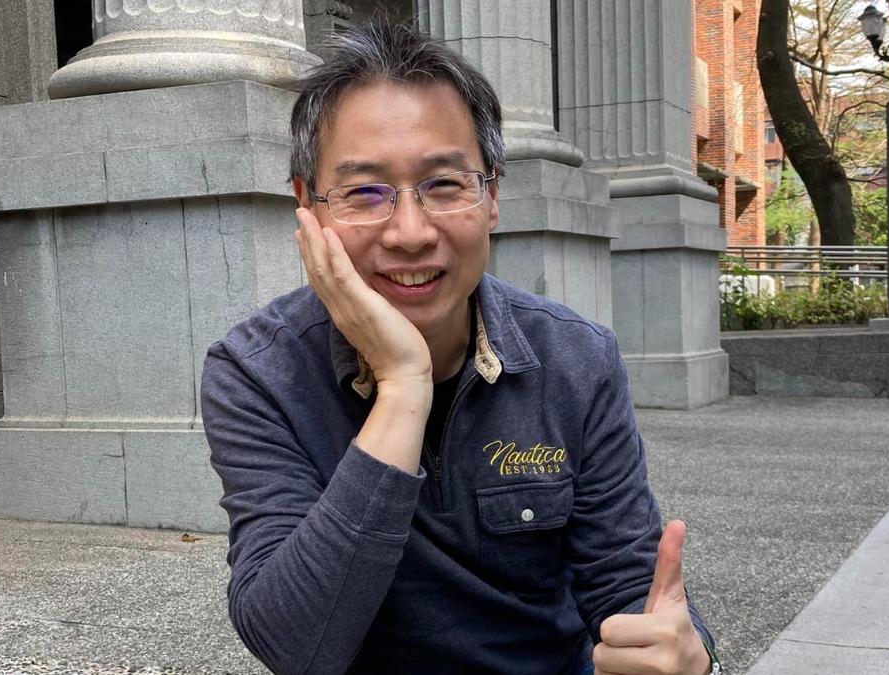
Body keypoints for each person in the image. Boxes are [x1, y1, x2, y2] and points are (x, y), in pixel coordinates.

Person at [200, 20, 719, 675]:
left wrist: (691, 662)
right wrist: (402, 388)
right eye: (364, 192)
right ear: (308, 208)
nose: (410, 232)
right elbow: (294, 644)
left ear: (491, 196)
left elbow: (631, 594)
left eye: (444, 185)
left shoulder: (577, 359)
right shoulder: (256, 372)